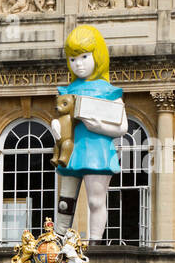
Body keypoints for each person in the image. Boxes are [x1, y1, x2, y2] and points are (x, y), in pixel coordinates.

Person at [51, 25, 128, 242]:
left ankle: (94, 243)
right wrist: (56, 128)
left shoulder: (108, 91)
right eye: (73, 59)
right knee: (64, 202)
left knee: (95, 201)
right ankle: (58, 240)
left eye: (84, 57)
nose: (79, 64)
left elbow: (122, 127)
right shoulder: (67, 90)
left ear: (97, 56)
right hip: (72, 149)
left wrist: (98, 127)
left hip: (96, 149)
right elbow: (62, 119)